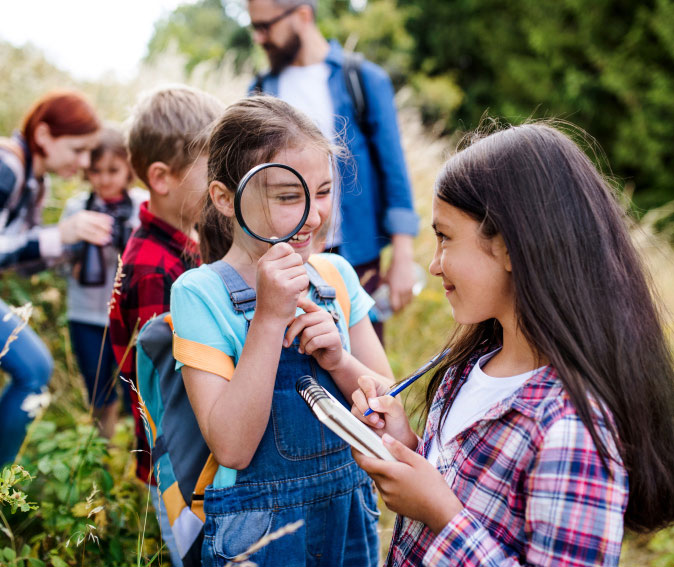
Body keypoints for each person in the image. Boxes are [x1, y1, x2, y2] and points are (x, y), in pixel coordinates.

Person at [351, 123, 674, 566]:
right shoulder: (469, 366)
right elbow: (472, 483)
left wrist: (443, 516)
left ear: (507, 246)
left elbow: (453, 509)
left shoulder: (571, 430)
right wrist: (406, 446)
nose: (433, 263)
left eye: (445, 237)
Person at [170, 96, 394, 566]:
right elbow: (232, 447)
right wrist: (269, 319)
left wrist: (339, 360)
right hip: (257, 536)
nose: (313, 216)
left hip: (348, 520)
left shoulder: (335, 276)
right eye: (289, 196)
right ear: (225, 199)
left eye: (325, 191)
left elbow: (389, 418)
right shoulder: (199, 293)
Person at [247, 0, 419, 339]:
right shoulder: (260, 91)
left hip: (359, 255)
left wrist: (403, 254)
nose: (259, 38)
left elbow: (393, 169)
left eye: (265, 26)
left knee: (363, 363)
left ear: (302, 15)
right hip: (288, 252)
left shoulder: (363, 79)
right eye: (254, 27)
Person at [107, 85, 224, 566]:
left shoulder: (179, 244)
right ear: (162, 178)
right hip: (180, 466)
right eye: (211, 171)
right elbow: (168, 384)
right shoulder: (154, 268)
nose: (223, 183)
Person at [0, 90, 111, 466]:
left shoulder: (36, 182)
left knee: (34, 368)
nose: (83, 163)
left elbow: (18, 260)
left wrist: (71, 247)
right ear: (45, 135)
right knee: (34, 368)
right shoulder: (8, 166)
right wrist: (59, 234)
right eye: (78, 150)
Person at [61, 126, 148, 439]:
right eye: (96, 171)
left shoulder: (141, 206)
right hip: (85, 314)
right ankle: (101, 456)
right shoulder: (77, 208)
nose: (105, 179)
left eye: (113, 170)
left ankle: (140, 461)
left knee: (137, 396)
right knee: (99, 392)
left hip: (130, 318)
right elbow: (59, 261)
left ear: (129, 170)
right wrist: (79, 259)